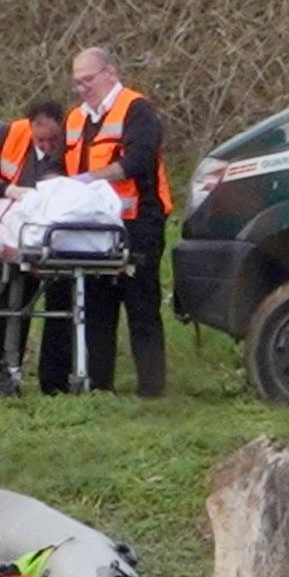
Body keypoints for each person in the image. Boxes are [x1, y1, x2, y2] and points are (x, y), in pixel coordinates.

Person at [65, 47, 172, 397]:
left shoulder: (136, 109)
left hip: (138, 220)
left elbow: (139, 159)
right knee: (97, 306)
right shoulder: (77, 119)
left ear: (109, 72)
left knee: (141, 305)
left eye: (88, 80)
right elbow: (61, 161)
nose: (83, 88)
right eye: (77, 82)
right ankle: (100, 387)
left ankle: (152, 391)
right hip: (93, 226)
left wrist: (91, 179)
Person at [0, 100, 72, 392]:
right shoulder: (7, 136)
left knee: (61, 300)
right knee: (12, 298)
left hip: (55, 236)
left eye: (52, 139)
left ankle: (53, 380)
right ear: (29, 127)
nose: (46, 144)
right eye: (40, 139)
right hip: (15, 230)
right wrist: (2, 190)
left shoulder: (70, 145)